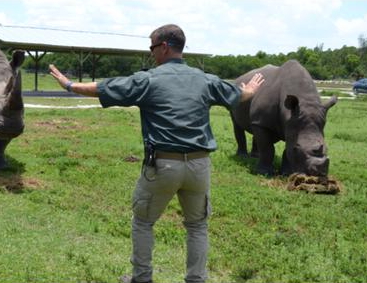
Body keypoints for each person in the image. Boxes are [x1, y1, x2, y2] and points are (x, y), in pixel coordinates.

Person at [49, 24, 264, 283]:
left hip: (164, 165)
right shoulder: (205, 79)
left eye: (152, 47)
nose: (151, 53)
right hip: (199, 166)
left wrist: (69, 85)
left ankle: (142, 278)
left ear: (164, 47)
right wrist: (250, 90)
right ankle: (196, 279)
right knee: (197, 226)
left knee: (143, 222)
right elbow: (240, 94)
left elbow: (105, 88)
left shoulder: (148, 79)